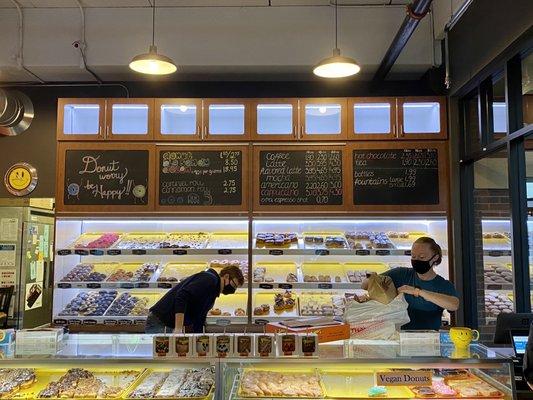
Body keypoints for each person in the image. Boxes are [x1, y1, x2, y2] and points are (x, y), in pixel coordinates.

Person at [362, 236, 459, 330]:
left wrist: (417, 291)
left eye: (421, 257)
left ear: (434, 258)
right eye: (413, 256)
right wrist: (370, 277)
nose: (416, 260)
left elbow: (454, 305)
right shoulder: (401, 274)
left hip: (427, 339)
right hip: (397, 337)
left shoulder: (442, 285)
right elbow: (365, 285)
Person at [146, 265, 244, 333]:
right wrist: (178, 328)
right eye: (234, 285)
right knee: (161, 361)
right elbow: (182, 296)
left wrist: (201, 338)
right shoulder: (210, 279)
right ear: (226, 276)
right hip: (160, 322)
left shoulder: (213, 291)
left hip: (167, 324)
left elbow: (199, 319)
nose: (233, 290)